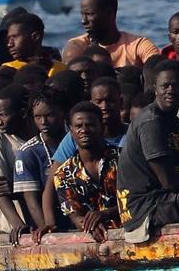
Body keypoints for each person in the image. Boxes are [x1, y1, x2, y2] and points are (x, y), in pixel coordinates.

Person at [117, 60, 179, 241]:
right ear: (155, 88)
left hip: (164, 198)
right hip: (146, 207)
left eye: (177, 85)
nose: (171, 90)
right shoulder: (151, 121)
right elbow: (170, 182)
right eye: (165, 86)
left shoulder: (174, 120)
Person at [44, 102, 122, 241]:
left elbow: (137, 201)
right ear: (71, 131)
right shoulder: (64, 173)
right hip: (92, 240)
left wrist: (104, 214)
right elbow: (75, 215)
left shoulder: (123, 159)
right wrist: (91, 225)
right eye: (79, 126)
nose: (84, 130)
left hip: (131, 233)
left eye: (90, 125)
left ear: (102, 128)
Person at [0, 84, 39, 240]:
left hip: (45, 224)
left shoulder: (44, 136)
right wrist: (18, 225)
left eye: (3, 115)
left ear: (23, 113)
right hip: (11, 230)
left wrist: (17, 187)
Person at [12, 91, 68, 237]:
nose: (43, 122)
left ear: (62, 112)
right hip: (49, 224)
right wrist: (48, 229)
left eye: (49, 115)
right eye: (38, 117)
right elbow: (31, 200)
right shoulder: (27, 152)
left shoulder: (76, 140)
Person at [60, 0, 159, 68]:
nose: (83, 21)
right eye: (82, 14)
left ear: (109, 13)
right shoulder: (77, 46)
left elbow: (158, 71)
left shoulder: (138, 46)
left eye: (90, 14)